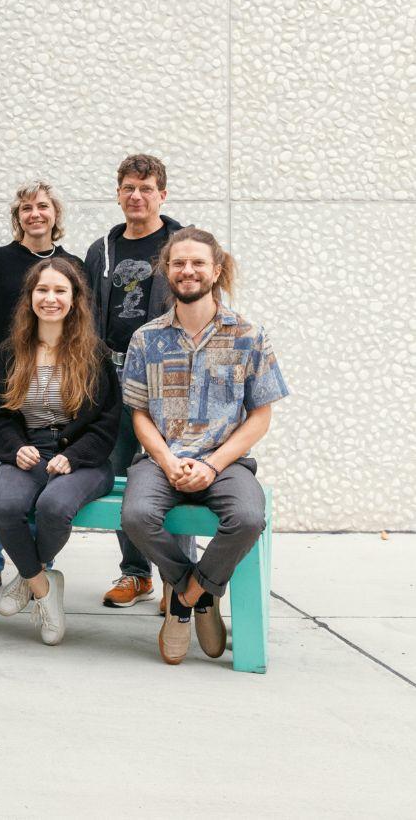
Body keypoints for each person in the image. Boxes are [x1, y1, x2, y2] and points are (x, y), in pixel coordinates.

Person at [119, 229, 288, 665]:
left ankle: (186, 599)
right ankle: (202, 590)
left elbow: (260, 416)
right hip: (161, 460)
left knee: (249, 517)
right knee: (136, 516)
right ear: (166, 271)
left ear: (215, 270)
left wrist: (211, 466)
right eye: (178, 263)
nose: (187, 270)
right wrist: (167, 459)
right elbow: (139, 414)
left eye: (197, 263)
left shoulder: (249, 336)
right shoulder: (146, 338)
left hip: (225, 461)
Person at [0, 259, 119, 646]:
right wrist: (16, 448)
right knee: (6, 507)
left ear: (75, 299)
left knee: (54, 507)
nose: (50, 298)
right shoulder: (11, 352)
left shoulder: (95, 354)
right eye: (42, 290)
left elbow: (107, 423)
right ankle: (43, 587)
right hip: (29, 451)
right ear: (29, 297)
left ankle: (27, 575)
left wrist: (73, 457)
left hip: (84, 458)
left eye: (61, 291)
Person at [84, 153, 195, 609]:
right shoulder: (101, 250)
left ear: (162, 195)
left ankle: (180, 576)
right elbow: (86, 314)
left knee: (177, 471)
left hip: (167, 377)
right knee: (119, 472)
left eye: (146, 188)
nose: (136, 196)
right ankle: (136, 573)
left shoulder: (183, 245)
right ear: (118, 193)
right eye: (129, 187)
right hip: (111, 375)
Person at [0, 180, 83, 598]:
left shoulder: (71, 264)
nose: (35, 214)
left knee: (47, 469)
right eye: (26, 209)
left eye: (43, 207)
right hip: (7, 383)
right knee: (1, 469)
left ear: (56, 214)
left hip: (57, 383)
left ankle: (36, 563)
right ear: (17, 217)